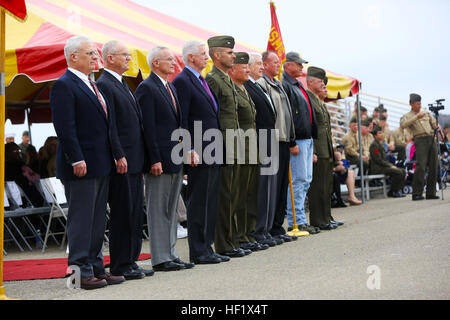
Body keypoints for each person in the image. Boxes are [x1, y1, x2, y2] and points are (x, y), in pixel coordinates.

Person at [50, 35, 126, 290]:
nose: (96, 58)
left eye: (95, 54)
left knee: (96, 220)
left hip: (101, 162)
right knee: (81, 221)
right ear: (73, 56)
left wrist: (116, 154)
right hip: (80, 164)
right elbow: (65, 127)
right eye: (90, 54)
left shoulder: (92, 85)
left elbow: (107, 125)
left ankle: (94, 268)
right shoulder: (64, 85)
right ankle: (77, 274)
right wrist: (76, 157)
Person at [96, 40, 153, 280]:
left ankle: (131, 260)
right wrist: (119, 154)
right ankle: (120, 264)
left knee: (134, 213)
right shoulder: (105, 84)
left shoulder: (121, 82)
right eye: (124, 55)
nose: (129, 59)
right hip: (123, 160)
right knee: (122, 213)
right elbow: (112, 126)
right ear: (110, 58)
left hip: (135, 158)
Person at [135, 46, 195, 272]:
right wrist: (154, 159)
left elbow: (179, 124)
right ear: (155, 63)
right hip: (159, 160)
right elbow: (147, 128)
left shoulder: (170, 87)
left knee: (171, 209)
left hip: (175, 157)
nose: (173, 62)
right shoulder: (146, 88)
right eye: (168, 59)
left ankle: (170, 253)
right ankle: (160, 258)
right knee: (158, 209)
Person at [172, 40, 227, 264]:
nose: (207, 57)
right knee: (199, 201)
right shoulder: (183, 81)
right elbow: (182, 119)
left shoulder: (201, 80)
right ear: (191, 57)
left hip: (212, 148)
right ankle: (198, 250)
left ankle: (207, 246)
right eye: (203, 54)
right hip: (198, 150)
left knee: (211, 200)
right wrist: (189, 148)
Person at [205, 36, 252, 258]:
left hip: (234, 143)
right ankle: (224, 243)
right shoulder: (213, 79)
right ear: (217, 55)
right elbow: (213, 115)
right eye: (229, 52)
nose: (233, 55)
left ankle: (232, 240)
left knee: (233, 195)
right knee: (225, 196)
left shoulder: (226, 79)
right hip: (223, 143)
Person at [257, 50, 298, 243]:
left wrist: (291, 138)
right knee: (272, 187)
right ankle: (270, 225)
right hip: (272, 139)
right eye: (273, 62)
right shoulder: (262, 84)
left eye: (278, 62)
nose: (277, 65)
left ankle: (277, 226)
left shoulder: (278, 84)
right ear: (264, 64)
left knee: (282, 185)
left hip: (283, 139)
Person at [228, 52, 264, 251]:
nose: (249, 70)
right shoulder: (233, 88)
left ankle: (248, 233)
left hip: (251, 147)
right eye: (245, 67)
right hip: (240, 147)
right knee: (238, 195)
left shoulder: (244, 89)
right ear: (233, 70)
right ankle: (238, 235)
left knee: (250, 194)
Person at [281, 52, 319, 235]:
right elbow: (287, 116)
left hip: (307, 139)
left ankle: (301, 219)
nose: (302, 68)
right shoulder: (286, 85)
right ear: (288, 65)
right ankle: (296, 221)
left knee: (305, 181)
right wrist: (292, 141)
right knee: (297, 181)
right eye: (298, 64)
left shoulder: (296, 85)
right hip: (298, 140)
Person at [244, 52, 278, 247]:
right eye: (258, 64)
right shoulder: (247, 86)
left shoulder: (257, 86)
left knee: (268, 188)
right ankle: (258, 230)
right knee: (261, 188)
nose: (262, 67)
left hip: (269, 138)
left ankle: (264, 229)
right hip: (259, 139)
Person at [305, 67, 337, 230]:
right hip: (318, 148)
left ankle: (326, 217)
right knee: (317, 186)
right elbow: (311, 126)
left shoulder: (318, 100)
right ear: (310, 82)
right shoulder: (308, 99)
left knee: (326, 186)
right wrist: (313, 151)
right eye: (320, 81)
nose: (323, 84)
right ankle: (318, 220)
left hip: (326, 149)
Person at [400, 93, 439, 200]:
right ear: (411, 104)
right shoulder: (408, 115)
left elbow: (434, 123)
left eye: (420, 103)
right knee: (421, 166)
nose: (419, 106)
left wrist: (437, 126)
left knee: (434, 165)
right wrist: (416, 117)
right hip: (420, 139)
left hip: (431, 138)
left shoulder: (426, 113)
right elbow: (403, 125)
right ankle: (417, 193)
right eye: (417, 104)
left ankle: (431, 192)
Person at [369, 126, 406, 197]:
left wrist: (390, 165)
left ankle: (397, 190)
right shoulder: (374, 146)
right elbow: (378, 160)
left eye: (382, 132)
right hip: (378, 168)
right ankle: (393, 191)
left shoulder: (381, 144)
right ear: (375, 136)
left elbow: (384, 159)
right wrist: (390, 166)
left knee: (403, 171)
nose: (382, 134)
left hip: (383, 166)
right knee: (398, 172)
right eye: (379, 133)